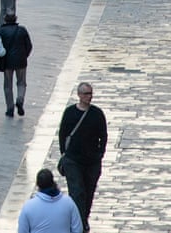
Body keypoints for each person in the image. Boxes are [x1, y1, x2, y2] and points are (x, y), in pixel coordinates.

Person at [57, 84, 108, 231]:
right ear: (79, 95)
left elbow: (103, 135)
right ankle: (79, 223)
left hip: (92, 161)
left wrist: (100, 154)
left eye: (90, 93)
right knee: (77, 192)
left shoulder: (97, 114)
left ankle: (83, 218)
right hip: (73, 160)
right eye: (86, 94)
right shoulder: (70, 113)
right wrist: (64, 153)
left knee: (89, 191)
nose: (89, 96)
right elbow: (63, 134)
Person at [16, 168, 83, 233]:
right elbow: (78, 229)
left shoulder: (28, 207)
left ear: (38, 185)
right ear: (53, 182)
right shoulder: (68, 203)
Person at [0, 12, 34, 118]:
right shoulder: (22, 30)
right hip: (21, 61)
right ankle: (20, 99)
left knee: (8, 85)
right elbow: (29, 46)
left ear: (5, 19)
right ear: (15, 19)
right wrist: (24, 55)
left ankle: (10, 108)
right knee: (21, 82)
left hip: (7, 61)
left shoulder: (1, 31)